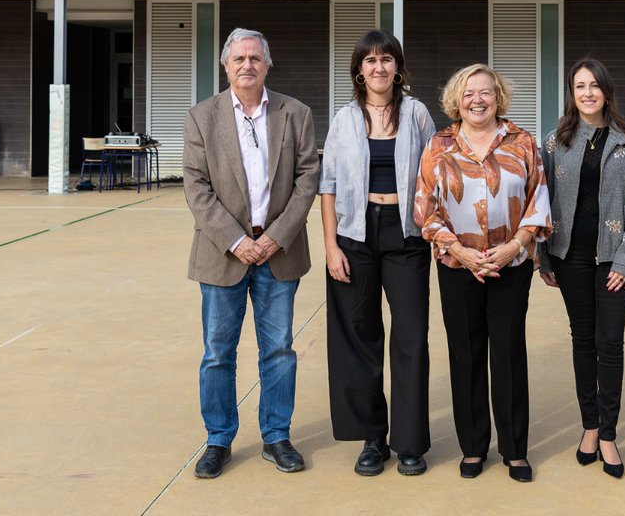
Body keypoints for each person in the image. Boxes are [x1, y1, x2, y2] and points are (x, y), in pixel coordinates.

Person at [183, 27, 320, 479]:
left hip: (278, 251)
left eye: (255, 58)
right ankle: (218, 439)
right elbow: (196, 188)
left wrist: (275, 237)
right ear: (226, 66)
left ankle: (276, 435)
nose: (247, 65)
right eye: (238, 59)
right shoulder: (203, 117)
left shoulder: (294, 113)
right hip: (223, 254)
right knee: (218, 353)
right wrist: (238, 241)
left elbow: (306, 180)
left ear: (267, 64)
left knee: (278, 350)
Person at [413, 64, 552, 482]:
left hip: (510, 265)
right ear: (457, 99)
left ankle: (514, 449)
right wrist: (461, 251)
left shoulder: (522, 142)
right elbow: (425, 208)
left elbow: (538, 202)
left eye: (486, 92)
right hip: (458, 266)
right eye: (469, 93)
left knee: (508, 353)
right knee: (466, 353)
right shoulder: (439, 145)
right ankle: (473, 447)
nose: (478, 100)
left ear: (498, 97)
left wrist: (512, 248)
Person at [319, 29, 436, 477]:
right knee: (358, 337)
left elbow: (435, 174)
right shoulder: (343, 119)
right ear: (359, 70)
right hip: (354, 236)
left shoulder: (418, 115)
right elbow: (327, 185)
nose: (378, 67)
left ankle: (409, 442)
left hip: (406, 237)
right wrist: (331, 246)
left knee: (410, 337)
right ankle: (373, 438)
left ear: (398, 68)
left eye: (386, 59)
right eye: (369, 61)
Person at [538, 58, 625, 479]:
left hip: (613, 259)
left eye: (594, 85)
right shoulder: (556, 142)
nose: (587, 93)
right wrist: (543, 255)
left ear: (607, 90)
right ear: (571, 94)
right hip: (569, 257)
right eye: (579, 86)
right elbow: (542, 201)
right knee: (583, 341)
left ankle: (608, 433)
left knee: (610, 343)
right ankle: (588, 426)